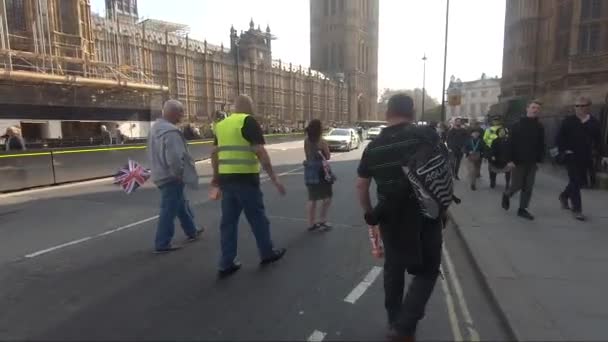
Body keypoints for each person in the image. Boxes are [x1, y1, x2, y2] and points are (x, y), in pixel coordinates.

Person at [356, 94, 442, 342]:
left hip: (390, 216)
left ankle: (395, 321)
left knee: (394, 270)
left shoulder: (373, 147)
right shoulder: (427, 137)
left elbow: (361, 186)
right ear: (413, 112)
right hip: (426, 214)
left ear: (387, 113)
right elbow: (442, 174)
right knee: (427, 270)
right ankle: (405, 325)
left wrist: (369, 214)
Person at [211, 94, 287, 278]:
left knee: (228, 223)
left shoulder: (221, 125)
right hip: (246, 180)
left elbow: (214, 154)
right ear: (248, 106)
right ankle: (267, 253)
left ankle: (226, 262)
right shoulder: (248, 121)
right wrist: (274, 178)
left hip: (227, 181)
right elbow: (260, 152)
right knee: (258, 219)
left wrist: (216, 178)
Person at [148, 100, 204, 253]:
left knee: (180, 204)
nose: (182, 115)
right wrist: (179, 174)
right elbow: (174, 157)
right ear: (172, 112)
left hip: (159, 173)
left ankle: (192, 230)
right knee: (169, 210)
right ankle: (162, 243)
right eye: (180, 112)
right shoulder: (171, 132)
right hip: (171, 176)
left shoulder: (155, 129)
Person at [556, 96, 607, 221]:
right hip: (571, 156)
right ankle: (577, 210)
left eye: (582, 106)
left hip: (586, 157)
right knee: (575, 180)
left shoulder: (594, 123)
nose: (579, 108)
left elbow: (599, 140)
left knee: (579, 182)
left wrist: (604, 155)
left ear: (588, 107)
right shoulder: (568, 121)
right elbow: (559, 138)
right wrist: (561, 152)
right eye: (576, 106)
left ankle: (564, 196)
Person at [501, 100, 545, 220]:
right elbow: (509, 144)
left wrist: (539, 159)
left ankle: (522, 209)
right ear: (527, 109)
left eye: (537, 108)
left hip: (532, 162)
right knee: (517, 185)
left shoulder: (540, 126)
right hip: (518, 161)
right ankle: (507, 194)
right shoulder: (517, 125)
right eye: (533, 107)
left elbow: (541, 144)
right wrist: (509, 160)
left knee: (528, 186)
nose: (535, 110)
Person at [303, 119, 333, 231]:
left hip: (310, 170)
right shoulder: (322, 142)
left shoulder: (306, 140)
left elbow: (307, 155)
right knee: (327, 197)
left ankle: (311, 223)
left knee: (312, 198)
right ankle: (322, 220)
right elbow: (328, 157)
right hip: (321, 171)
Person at [484, 117, 505, 188]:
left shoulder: (504, 129)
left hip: (502, 150)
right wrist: (491, 144)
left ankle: (507, 182)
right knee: (491, 165)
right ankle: (492, 180)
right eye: (494, 120)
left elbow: (507, 137)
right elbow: (485, 138)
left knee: (504, 166)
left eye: (497, 120)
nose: (496, 122)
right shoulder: (489, 129)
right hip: (491, 149)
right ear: (492, 122)